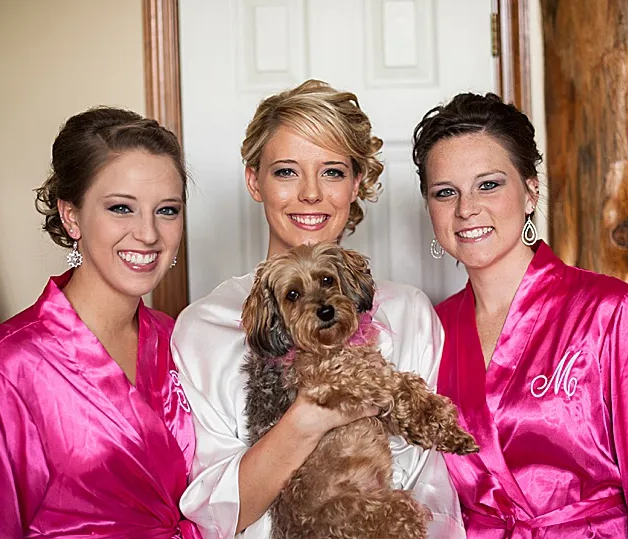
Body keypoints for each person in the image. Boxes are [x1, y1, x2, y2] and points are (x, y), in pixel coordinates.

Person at [172, 79, 464, 538]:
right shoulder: (202, 328)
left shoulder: (408, 312)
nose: (311, 194)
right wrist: (308, 418)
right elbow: (219, 511)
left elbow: (428, 487)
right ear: (254, 180)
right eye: (286, 172)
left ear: (357, 183)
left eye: (331, 171)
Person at [411, 91, 628, 538]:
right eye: (445, 192)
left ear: (531, 191)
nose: (466, 209)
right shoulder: (428, 329)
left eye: (488, 184)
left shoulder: (610, 312)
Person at [0, 107, 201, 538]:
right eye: (121, 208)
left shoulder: (178, 339)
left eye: (167, 210)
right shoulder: (4, 369)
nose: (149, 234)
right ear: (71, 216)